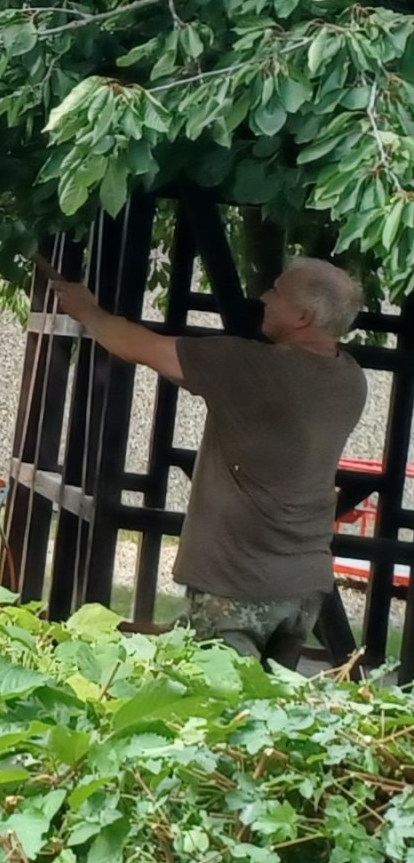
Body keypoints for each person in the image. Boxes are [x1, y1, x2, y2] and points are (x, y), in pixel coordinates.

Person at [49, 257, 366, 669]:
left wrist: (86, 310)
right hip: (303, 589)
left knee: (214, 709)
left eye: (277, 292)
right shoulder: (349, 378)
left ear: (303, 316)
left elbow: (135, 345)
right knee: (263, 716)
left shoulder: (255, 368)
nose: (264, 298)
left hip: (238, 584)